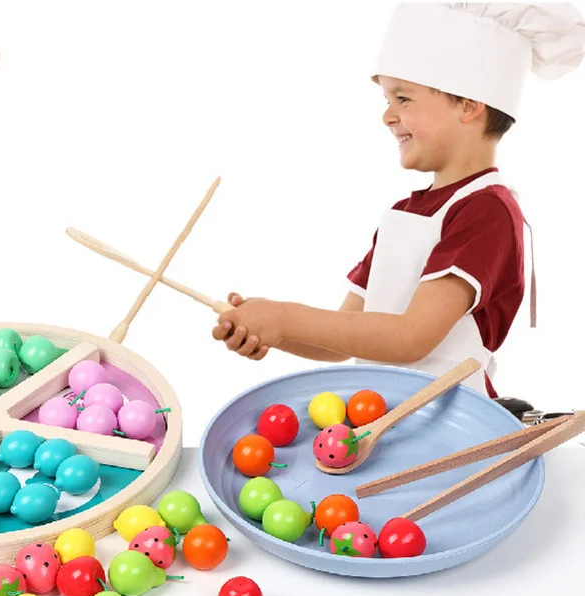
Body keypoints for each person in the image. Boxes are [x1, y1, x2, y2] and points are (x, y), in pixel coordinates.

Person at [213, 3, 585, 397]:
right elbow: (341, 340)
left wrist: (284, 317)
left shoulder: (486, 211)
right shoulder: (405, 215)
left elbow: (411, 337)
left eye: (403, 99)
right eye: (387, 101)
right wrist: (267, 328)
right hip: (384, 413)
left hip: (450, 418)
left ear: (469, 105)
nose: (387, 116)